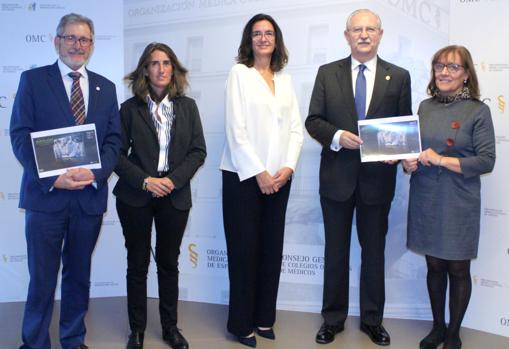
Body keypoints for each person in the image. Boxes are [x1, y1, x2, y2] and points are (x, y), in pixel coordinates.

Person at [9, 13, 121, 349]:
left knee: (78, 278)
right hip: (47, 199)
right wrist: (52, 178)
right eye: (70, 38)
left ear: (92, 45)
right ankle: (35, 342)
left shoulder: (106, 87)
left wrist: (97, 173)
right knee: (42, 280)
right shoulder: (32, 81)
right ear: (56, 41)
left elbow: (114, 141)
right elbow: (19, 135)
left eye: (84, 39)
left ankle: (73, 339)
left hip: (87, 199)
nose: (77, 45)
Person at [305, 8, 412, 346]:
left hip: (377, 182)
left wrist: (401, 151)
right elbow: (313, 121)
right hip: (336, 179)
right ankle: (332, 320)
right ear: (346, 35)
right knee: (335, 253)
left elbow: (403, 130)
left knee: (374, 254)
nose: (364, 35)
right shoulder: (327, 73)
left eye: (370, 29)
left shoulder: (400, 76)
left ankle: (372, 321)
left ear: (380, 35)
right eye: (357, 29)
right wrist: (337, 136)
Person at [113, 42, 206, 349]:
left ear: (174, 69)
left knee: (168, 263)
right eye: (154, 63)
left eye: (167, 63)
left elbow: (197, 151)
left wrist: (173, 181)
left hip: (174, 195)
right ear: (145, 70)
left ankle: (170, 328)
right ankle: (137, 329)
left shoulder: (188, 107)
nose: (161, 69)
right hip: (136, 196)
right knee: (137, 263)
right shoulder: (129, 109)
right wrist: (146, 181)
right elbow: (117, 155)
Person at [402, 45, 495, 349]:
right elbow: (414, 148)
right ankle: (438, 327)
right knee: (434, 266)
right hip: (426, 196)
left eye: (453, 67)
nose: (443, 72)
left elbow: (485, 161)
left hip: (458, 200)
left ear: (466, 75)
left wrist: (441, 159)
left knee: (458, 268)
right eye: (439, 66)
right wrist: (409, 161)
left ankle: (454, 332)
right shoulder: (425, 107)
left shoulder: (478, 111)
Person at [220, 13, 303, 348]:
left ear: (276, 39)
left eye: (269, 33)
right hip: (243, 178)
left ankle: (264, 318)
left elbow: (296, 130)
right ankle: (241, 324)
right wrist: (260, 173)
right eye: (257, 33)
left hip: (279, 179)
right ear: (249, 40)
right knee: (244, 252)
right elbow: (235, 130)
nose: (263, 38)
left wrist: (288, 168)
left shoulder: (284, 79)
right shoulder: (239, 74)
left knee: (271, 250)